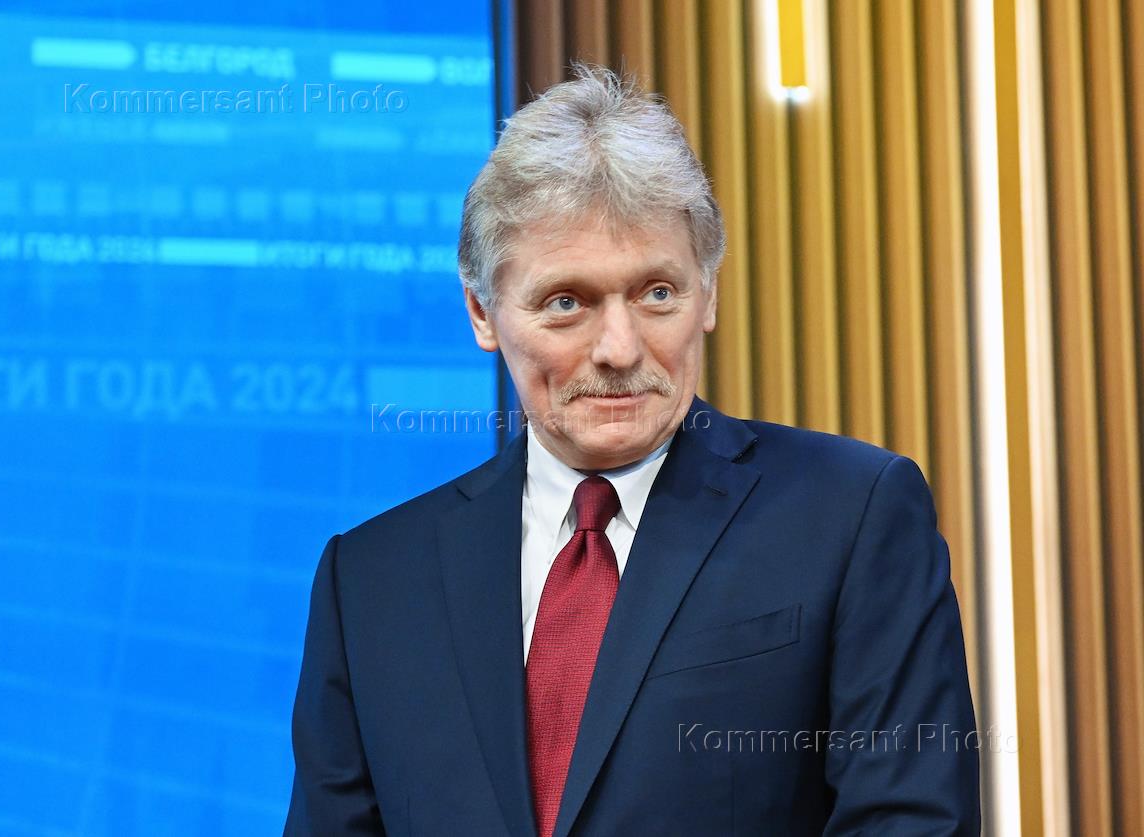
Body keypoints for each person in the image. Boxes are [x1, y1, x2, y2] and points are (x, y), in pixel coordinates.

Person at [284, 64, 980, 836]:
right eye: (567, 302)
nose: (619, 348)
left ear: (708, 292)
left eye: (656, 293)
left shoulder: (852, 516)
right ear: (482, 312)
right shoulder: (370, 581)